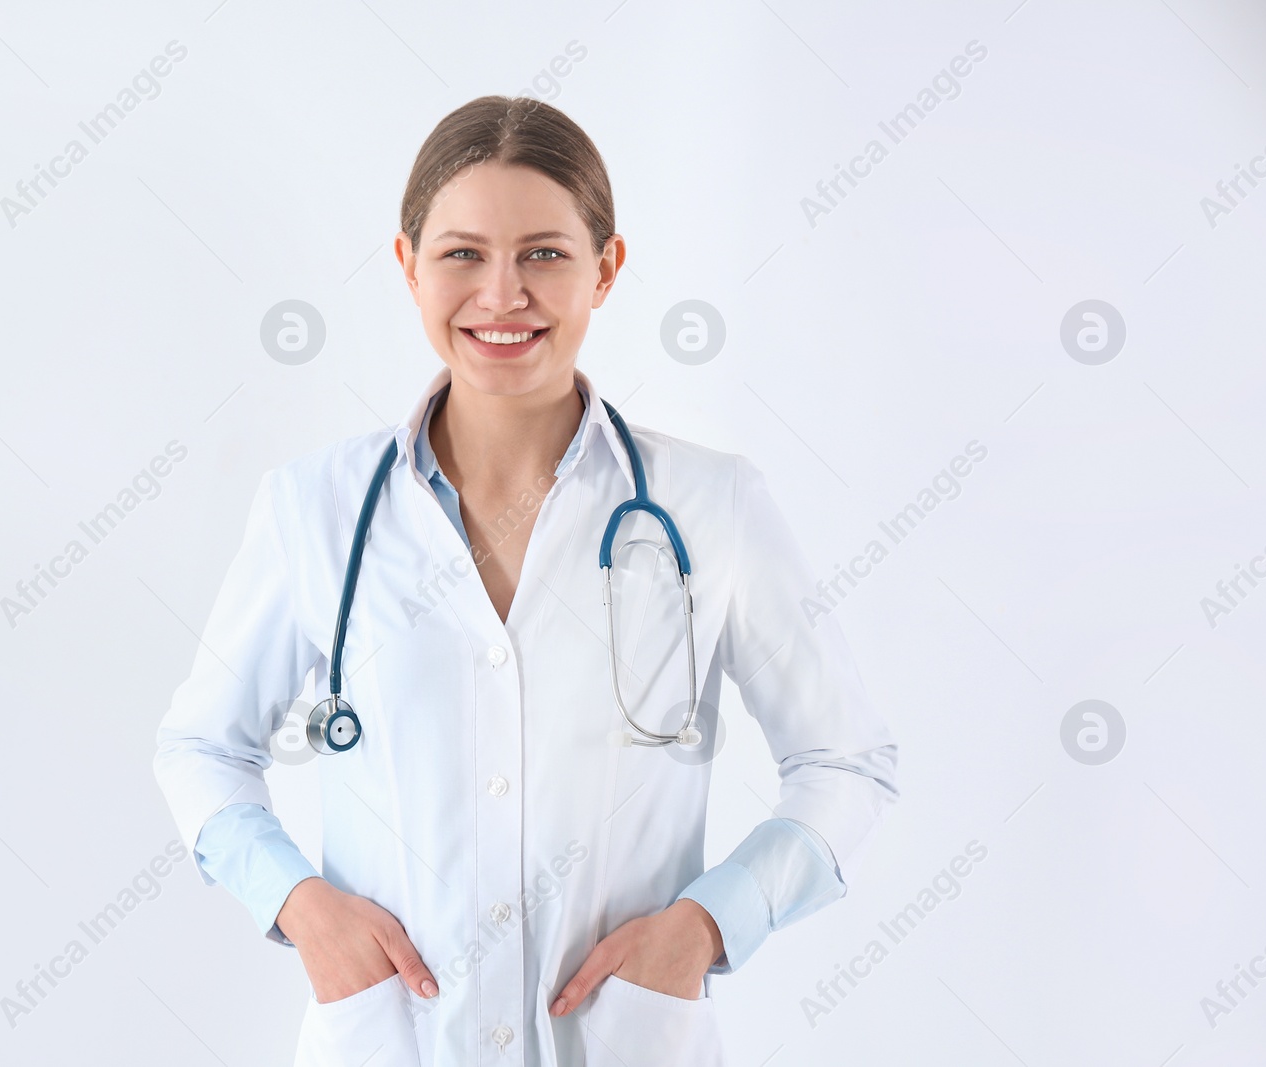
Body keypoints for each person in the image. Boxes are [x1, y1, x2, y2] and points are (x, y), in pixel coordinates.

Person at [153, 95, 899, 1067]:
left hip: (623, 1037)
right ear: (406, 264)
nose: (501, 294)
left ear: (606, 269)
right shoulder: (315, 507)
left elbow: (845, 759)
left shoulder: (710, 505)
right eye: (462, 253)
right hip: (391, 1036)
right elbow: (200, 745)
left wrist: (711, 922)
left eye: (543, 253)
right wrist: (300, 906)